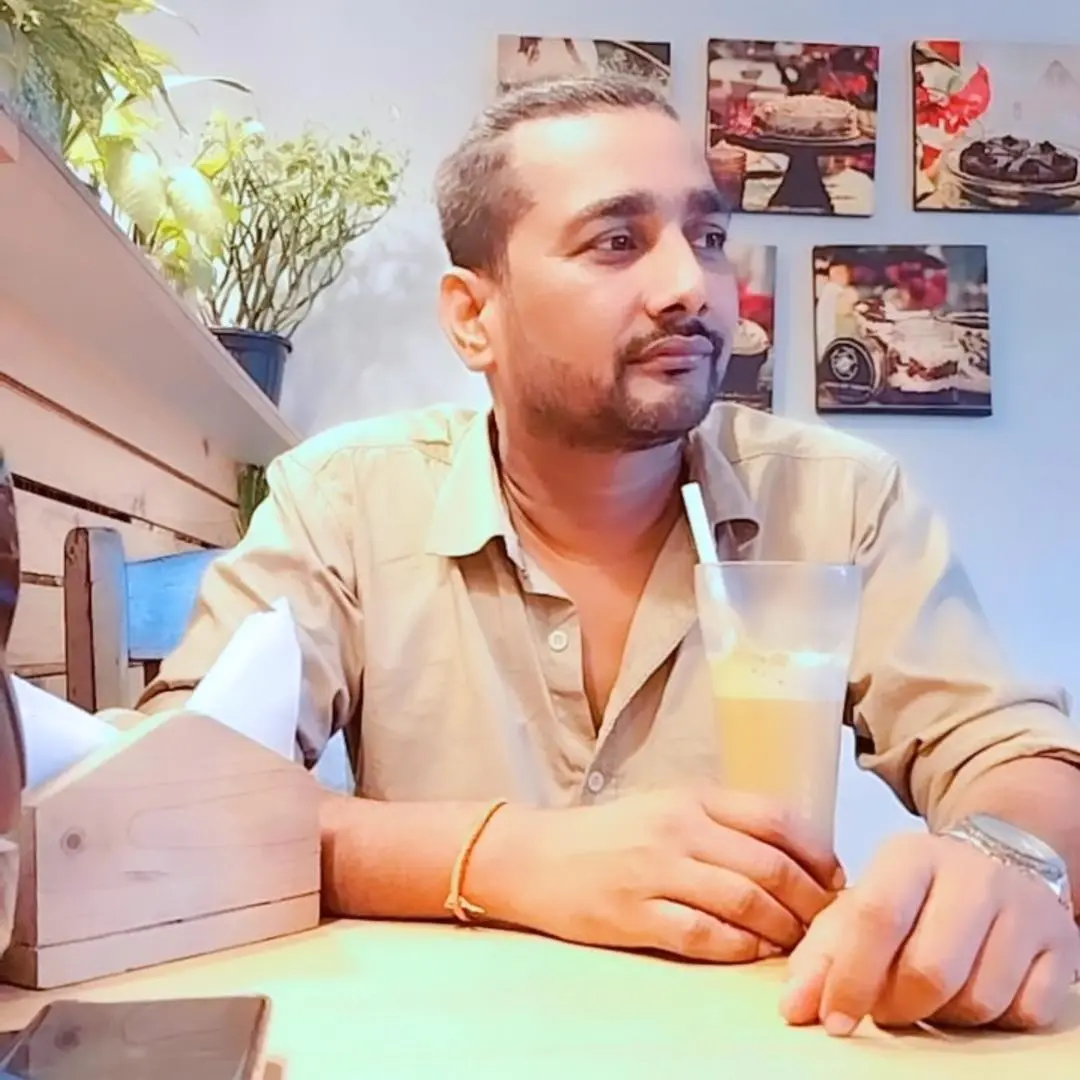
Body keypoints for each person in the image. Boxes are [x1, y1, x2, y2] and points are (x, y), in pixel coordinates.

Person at [127, 74, 1080, 1037]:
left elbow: (1016, 755)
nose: (691, 286)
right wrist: (505, 858)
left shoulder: (839, 500)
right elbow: (171, 798)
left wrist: (1002, 863)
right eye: (617, 242)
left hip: (763, 1041)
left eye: (707, 237)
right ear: (473, 317)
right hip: (438, 1042)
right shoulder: (346, 498)